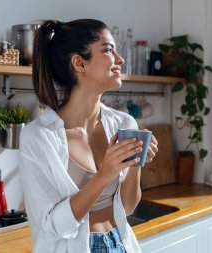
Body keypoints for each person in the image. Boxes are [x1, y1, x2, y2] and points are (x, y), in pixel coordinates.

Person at [19, 19, 158, 253]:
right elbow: (52, 227)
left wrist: (135, 163)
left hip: (120, 243)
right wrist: (104, 175)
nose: (120, 59)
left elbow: (127, 207)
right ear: (79, 63)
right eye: (108, 50)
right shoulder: (39, 136)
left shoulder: (124, 123)